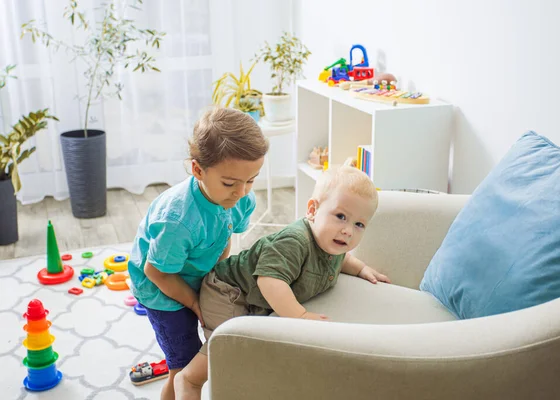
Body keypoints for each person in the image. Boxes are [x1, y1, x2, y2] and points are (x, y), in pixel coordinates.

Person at [174, 164, 391, 399]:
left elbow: (342, 259)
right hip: (226, 290)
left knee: (254, 353)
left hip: (255, 300)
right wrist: (299, 316)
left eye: (359, 224)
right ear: (312, 210)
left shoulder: (332, 242)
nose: (348, 230)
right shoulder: (294, 241)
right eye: (340, 216)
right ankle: (189, 380)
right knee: (229, 348)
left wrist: (361, 269)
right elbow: (269, 281)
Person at [127, 107, 269, 400]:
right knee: (183, 366)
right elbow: (157, 272)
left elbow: (224, 236)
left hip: (191, 271)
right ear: (197, 170)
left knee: (208, 354)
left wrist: (213, 281)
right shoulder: (178, 220)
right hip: (159, 289)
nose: (241, 192)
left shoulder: (241, 198)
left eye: (251, 180)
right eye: (230, 183)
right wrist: (194, 302)